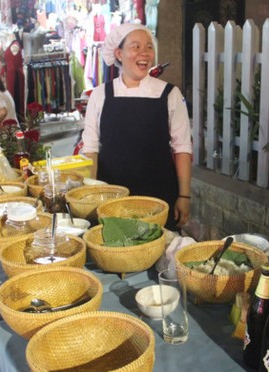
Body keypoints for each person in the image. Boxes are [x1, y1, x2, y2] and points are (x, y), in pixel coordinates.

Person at [82, 23, 192, 231]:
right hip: (112, 196)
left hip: (159, 194)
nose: (145, 53)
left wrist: (184, 195)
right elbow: (91, 149)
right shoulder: (100, 94)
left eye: (149, 47)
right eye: (136, 46)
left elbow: (182, 148)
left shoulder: (170, 94)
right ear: (119, 53)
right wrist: (90, 196)